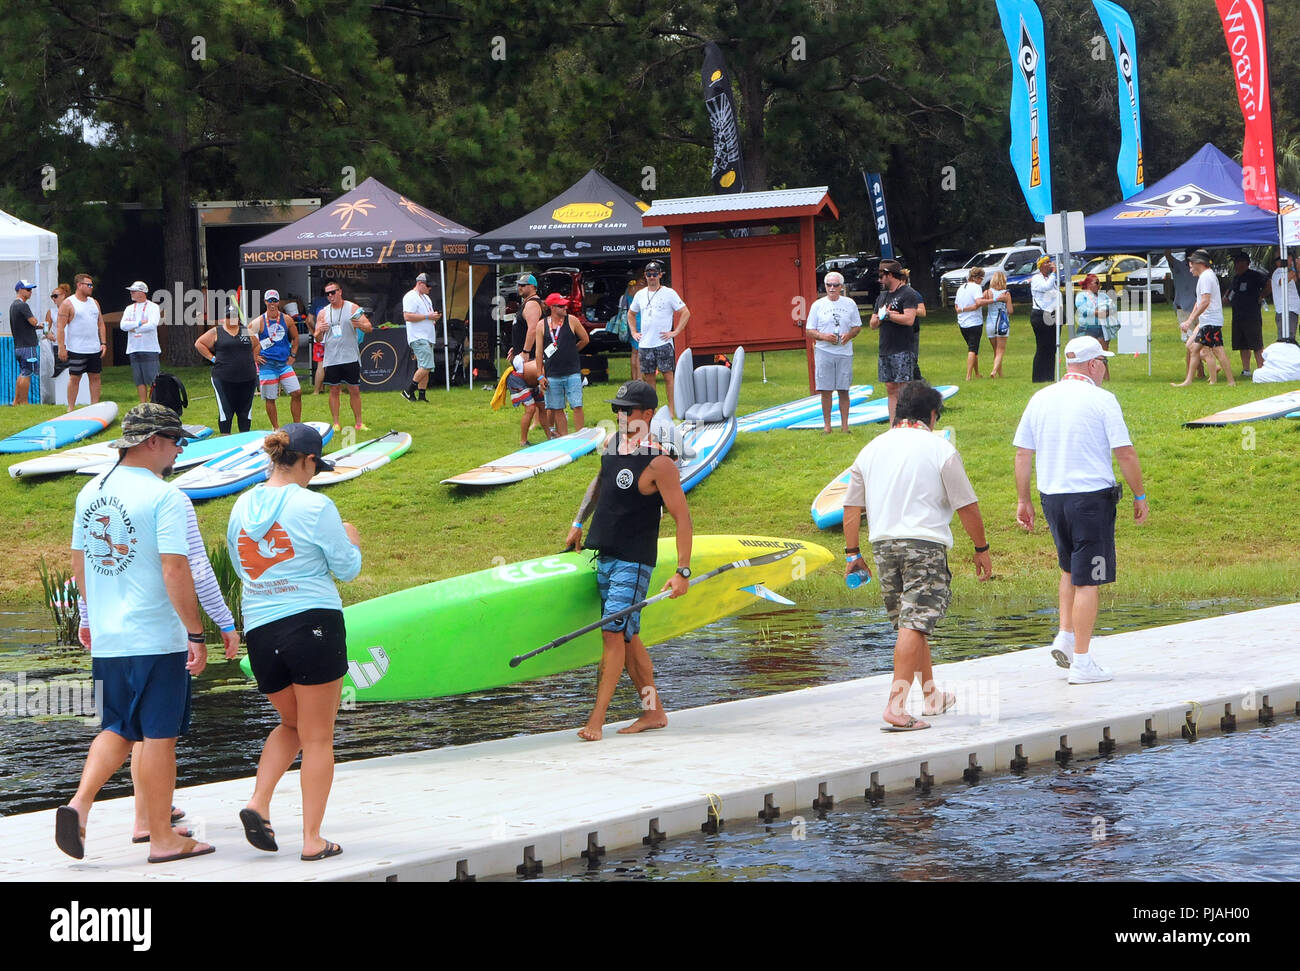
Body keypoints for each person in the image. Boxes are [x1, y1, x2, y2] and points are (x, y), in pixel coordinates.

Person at [57, 404, 230, 864]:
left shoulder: (90, 490)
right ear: (152, 441)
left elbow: (79, 563)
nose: (178, 451)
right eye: (176, 441)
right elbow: (176, 567)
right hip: (155, 635)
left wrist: (88, 618)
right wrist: (197, 632)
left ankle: (79, 804)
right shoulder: (166, 496)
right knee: (159, 736)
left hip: (110, 637)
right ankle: (162, 839)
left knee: (117, 727)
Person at [227, 424, 362, 861]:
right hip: (312, 624)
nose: (314, 475)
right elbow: (346, 569)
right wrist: (352, 540)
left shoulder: (241, 505)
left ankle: (258, 804)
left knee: (293, 725)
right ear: (305, 462)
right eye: (314, 467)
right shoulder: (315, 505)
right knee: (319, 736)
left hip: (261, 632)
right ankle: (312, 839)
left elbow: (242, 567)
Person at [842, 381, 991, 731]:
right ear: (933, 415)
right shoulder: (939, 448)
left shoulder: (871, 449)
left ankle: (930, 695)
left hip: (883, 546)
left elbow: (851, 506)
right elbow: (966, 505)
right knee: (915, 623)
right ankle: (895, 706)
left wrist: (852, 553)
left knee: (911, 623)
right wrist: (981, 548)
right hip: (923, 544)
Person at [1014, 336, 1148, 685]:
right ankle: (1083, 662)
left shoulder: (1040, 398)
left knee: (1069, 568)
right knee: (1091, 578)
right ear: (1093, 365)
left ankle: (1066, 635)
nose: (1105, 368)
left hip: (1051, 497)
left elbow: (1022, 454)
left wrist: (1023, 499)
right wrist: (1139, 494)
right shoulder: (1102, 399)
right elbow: (1126, 453)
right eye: (1103, 361)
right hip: (1091, 500)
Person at [565, 380, 692, 741]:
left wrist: (682, 571)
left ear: (647, 415)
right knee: (628, 639)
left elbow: (683, 518)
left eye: (627, 411)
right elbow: (600, 484)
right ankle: (653, 711)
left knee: (612, 634)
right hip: (605, 553)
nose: (620, 416)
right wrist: (578, 523)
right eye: (616, 410)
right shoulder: (613, 444)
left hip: (634, 562)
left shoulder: (660, 463)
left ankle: (596, 721)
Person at [628, 260, 689, 417]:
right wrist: (634, 332)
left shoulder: (669, 293)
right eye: (649, 274)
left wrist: (675, 332)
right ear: (645, 275)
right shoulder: (640, 294)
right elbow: (631, 313)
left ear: (660, 275)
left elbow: (685, 312)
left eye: (655, 274)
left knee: (668, 375)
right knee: (649, 378)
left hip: (663, 342)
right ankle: (652, 411)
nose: (652, 277)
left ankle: (671, 409)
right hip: (646, 343)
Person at [806, 270, 864, 430]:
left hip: (844, 352)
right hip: (824, 351)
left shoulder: (849, 304)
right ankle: (827, 426)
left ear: (841, 286)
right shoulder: (817, 305)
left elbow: (857, 326)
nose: (832, 288)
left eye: (835, 285)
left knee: (844, 389)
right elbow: (809, 330)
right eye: (828, 285)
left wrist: (849, 335)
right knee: (825, 390)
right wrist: (824, 336)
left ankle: (845, 426)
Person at [314, 282, 374, 432]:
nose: (330, 296)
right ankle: (336, 423)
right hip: (332, 357)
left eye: (333, 292)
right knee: (334, 389)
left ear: (340, 291)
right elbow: (317, 338)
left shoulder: (353, 308)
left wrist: (360, 324)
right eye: (327, 293)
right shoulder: (323, 312)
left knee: (354, 389)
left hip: (350, 356)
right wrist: (320, 330)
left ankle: (359, 423)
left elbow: (369, 328)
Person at [868, 259, 922, 423]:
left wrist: (890, 315)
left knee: (904, 388)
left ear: (890, 275)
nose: (879, 279)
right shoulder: (882, 297)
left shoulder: (908, 293)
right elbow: (872, 324)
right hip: (886, 348)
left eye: (881, 276)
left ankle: (909, 421)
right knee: (890, 387)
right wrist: (879, 318)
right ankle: (894, 424)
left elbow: (909, 319)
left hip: (903, 348)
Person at [1172, 250, 1235, 387]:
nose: (1190, 270)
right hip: (1207, 321)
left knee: (1217, 350)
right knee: (1194, 349)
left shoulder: (1206, 277)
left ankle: (1230, 382)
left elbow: (1205, 302)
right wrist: (1190, 320)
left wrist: (1190, 320)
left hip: (1211, 321)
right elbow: (1199, 301)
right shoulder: (1205, 276)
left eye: (1191, 266)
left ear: (1199, 263)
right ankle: (1189, 381)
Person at [195, 311, 259, 433]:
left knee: (245, 411)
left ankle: (244, 439)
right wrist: (212, 358)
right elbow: (199, 344)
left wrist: (253, 357)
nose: (232, 319)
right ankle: (226, 437)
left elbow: (256, 345)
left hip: (248, 378)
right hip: (223, 378)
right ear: (223, 318)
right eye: (229, 317)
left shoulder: (245, 331)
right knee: (226, 410)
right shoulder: (216, 331)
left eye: (235, 317)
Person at [538, 292, 590, 436]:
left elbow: (585, 339)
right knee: (557, 408)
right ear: (552, 308)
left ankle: (580, 437)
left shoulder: (572, 320)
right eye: (561, 306)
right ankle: (565, 438)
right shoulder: (541, 325)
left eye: (565, 305)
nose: (565, 308)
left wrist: (573, 350)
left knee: (577, 404)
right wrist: (540, 375)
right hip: (552, 373)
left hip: (572, 371)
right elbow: (538, 353)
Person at [250, 290, 302, 428]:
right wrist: (254, 356)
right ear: (265, 302)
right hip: (267, 365)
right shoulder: (259, 321)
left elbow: (296, 337)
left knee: (296, 392)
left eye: (275, 300)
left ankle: (297, 425)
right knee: (270, 398)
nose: (272, 304)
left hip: (284, 364)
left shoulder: (287, 319)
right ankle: (276, 428)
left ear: (279, 302)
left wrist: (293, 355)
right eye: (269, 301)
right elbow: (245, 337)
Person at [56, 273, 108, 410]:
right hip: (77, 348)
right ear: (79, 285)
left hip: (94, 348)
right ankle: (71, 408)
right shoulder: (68, 303)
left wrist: (103, 343)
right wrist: (61, 347)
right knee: (75, 378)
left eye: (92, 285)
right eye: (88, 285)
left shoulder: (94, 302)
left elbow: (101, 323)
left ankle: (94, 407)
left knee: (95, 377)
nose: (91, 287)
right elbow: (60, 327)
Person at [506, 273, 547, 444]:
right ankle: (533, 436)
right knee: (537, 404)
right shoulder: (528, 304)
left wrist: (524, 352)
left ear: (533, 287)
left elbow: (532, 330)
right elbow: (524, 331)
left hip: (528, 359)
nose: (520, 288)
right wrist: (515, 348)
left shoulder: (531, 304)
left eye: (523, 285)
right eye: (519, 285)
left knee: (538, 402)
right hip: (524, 357)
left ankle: (549, 432)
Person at [1166, 249, 1208, 379]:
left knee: (1198, 342)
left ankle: (1197, 372)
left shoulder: (1203, 271)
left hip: (1198, 308)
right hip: (1183, 308)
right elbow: (1168, 256)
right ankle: (1194, 372)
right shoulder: (1178, 265)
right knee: (1190, 343)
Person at [400, 272, 441, 403]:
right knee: (427, 365)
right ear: (420, 284)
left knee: (424, 367)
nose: (430, 289)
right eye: (428, 286)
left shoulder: (426, 298)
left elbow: (425, 315)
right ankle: (408, 390)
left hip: (428, 336)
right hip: (418, 336)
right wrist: (428, 317)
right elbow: (407, 316)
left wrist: (432, 318)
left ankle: (421, 396)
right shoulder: (410, 297)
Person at [120, 281, 162, 404]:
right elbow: (123, 325)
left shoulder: (153, 307)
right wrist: (138, 324)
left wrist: (133, 328)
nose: (131, 293)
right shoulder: (129, 308)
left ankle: (155, 402)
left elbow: (152, 325)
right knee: (139, 379)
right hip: (133, 348)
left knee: (153, 379)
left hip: (149, 348)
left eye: (134, 291)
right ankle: (143, 403)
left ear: (142, 292)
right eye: (131, 291)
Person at [1227, 251, 1267, 376]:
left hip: (1251, 315)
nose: (1237, 265)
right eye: (1235, 263)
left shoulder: (1255, 276)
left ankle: (1262, 368)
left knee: (1256, 343)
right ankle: (1246, 370)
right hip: (1238, 315)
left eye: (1239, 262)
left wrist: (1261, 296)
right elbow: (1230, 294)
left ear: (1246, 263)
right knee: (1242, 344)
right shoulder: (1236, 278)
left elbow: (1269, 284)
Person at [954, 267, 991, 381]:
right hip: (974, 322)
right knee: (973, 348)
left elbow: (956, 306)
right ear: (977, 278)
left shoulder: (961, 288)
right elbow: (978, 303)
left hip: (962, 322)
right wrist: (993, 300)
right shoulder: (976, 287)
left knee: (973, 348)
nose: (981, 281)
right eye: (981, 279)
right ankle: (968, 375)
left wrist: (963, 309)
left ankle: (977, 372)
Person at [1074, 274, 1114, 379]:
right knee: (1086, 354)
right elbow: (1082, 309)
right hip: (1087, 327)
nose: (1099, 285)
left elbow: (1111, 306)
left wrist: (1107, 312)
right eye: (1096, 283)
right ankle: (1086, 377)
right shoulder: (1081, 296)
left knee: (1102, 355)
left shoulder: (1103, 296)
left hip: (1101, 327)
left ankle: (1106, 378)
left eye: (1099, 283)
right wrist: (1097, 313)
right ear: (1088, 284)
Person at [1029, 255, 1060, 383]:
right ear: (1041, 265)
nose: (1050, 264)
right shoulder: (1037, 278)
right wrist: (1054, 274)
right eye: (1047, 262)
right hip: (1040, 314)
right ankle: (1038, 377)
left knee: (1052, 347)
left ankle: (1049, 376)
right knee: (1042, 346)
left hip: (1051, 313)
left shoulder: (1051, 279)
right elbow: (1046, 287)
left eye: (1050, 262)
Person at [9, 280, 40, 407]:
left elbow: (26, 325)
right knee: (27, 373)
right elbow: (33, 322)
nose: (30, 292)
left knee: (22, 372)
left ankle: (16, 401)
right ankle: (24, 402)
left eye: (31, 289)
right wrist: (39, 324)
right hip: (28, 345)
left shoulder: (13, 305)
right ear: (20, 290)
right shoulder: (23, 306)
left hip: (19, 346)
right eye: (28, 289)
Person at [985, 270, 1012, 378]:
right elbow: (1010, 310)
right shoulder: (1006, 293)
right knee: (1001, 349)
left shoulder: (987, 292)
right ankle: (994, 371)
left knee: (995, 350)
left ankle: (1000, 374)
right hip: (1002, 323)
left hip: (990, 323)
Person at [1267, 253, 1299, 343]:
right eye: (1290, 257)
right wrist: (1294, 268)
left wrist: (1297, 268)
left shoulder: (1287, 272)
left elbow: (1296, 278)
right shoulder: (1279, 272)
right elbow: (1282, 281)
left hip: (1290, 312)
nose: (1292, 259)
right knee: (1287, 342)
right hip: (1286, 312)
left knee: (1289, 340)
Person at [621, 278, 642, 382]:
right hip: (640, 322)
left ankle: (634, 377)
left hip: (630, 322)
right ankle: (639, 378)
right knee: (639, 351)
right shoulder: (643, 289)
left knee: (634, 352)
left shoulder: (629, 288)